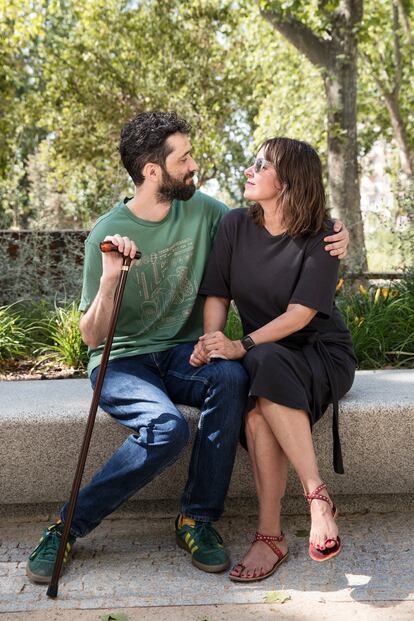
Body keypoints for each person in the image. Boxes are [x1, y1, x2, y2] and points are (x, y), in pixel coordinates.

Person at [26, 114, 349, 584]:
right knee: (167, 428)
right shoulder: (106, 232)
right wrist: (112, 279)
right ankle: (65, 526)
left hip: (180, 353)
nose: (196, 165)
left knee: (233, 378)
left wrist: (337, 231)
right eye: (185, 158)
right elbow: (91, 337)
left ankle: (196, 519)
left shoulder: (208, 212)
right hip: (122, 360)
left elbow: (286, 218)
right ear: (153, 171)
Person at [191, 137, 356, 583]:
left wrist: (240, 345)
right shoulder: (234, 225)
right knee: (258, 414)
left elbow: (301, 315)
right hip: (267, 355)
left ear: (288, 183)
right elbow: (217, 293)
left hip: (321, 353)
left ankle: (310, 500)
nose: (249, 169)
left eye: (261, 164)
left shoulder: (322, 235)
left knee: (263, 362)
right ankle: (283, 527)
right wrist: (211, 340)